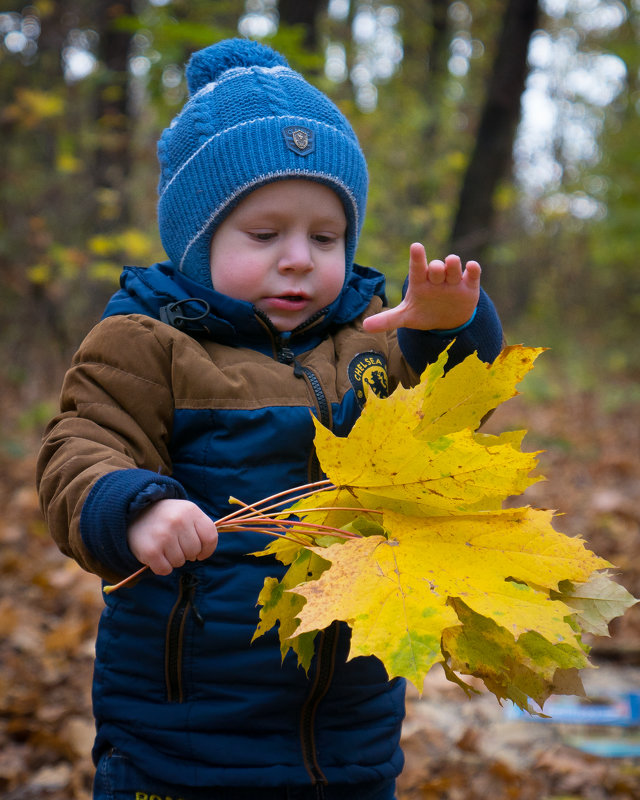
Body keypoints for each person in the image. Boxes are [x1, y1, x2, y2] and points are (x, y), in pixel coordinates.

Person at [37, 38, 503, 800]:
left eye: (325, 238)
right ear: (197, 241)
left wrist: (448, 329)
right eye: (264, 235)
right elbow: (80, 446)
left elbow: (448, 431)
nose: (298, 259)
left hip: (349, 729)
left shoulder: (369, 345)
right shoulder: (147, 344)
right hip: (184, 733)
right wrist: (135, 506)